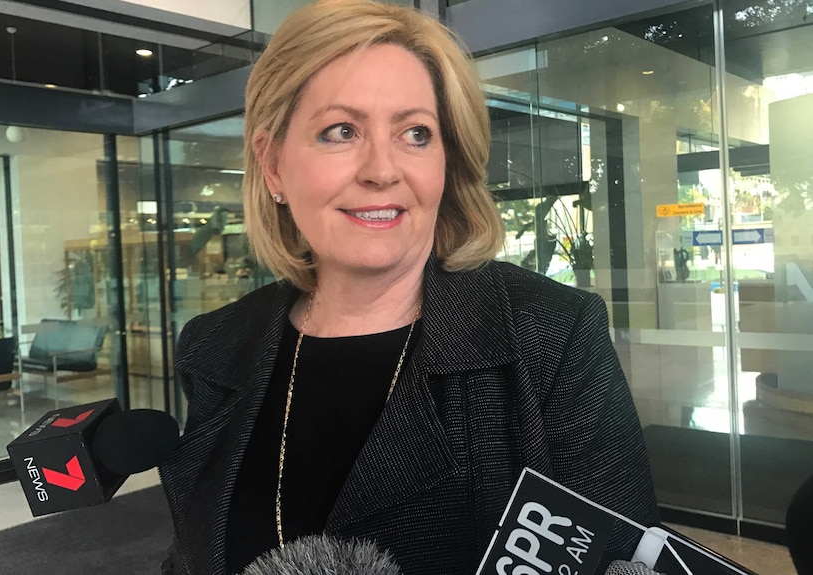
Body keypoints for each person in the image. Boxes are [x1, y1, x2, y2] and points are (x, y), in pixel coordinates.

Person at [158, 2, 659, 574]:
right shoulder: (215, 346)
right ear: (273, 165)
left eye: (415, 133)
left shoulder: (553, 336)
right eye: (340, 131)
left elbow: (631, 557)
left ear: (447, 160)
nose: (382, 169)